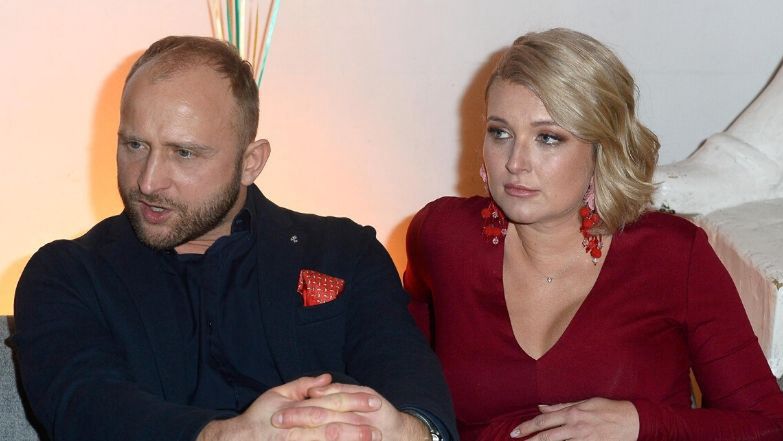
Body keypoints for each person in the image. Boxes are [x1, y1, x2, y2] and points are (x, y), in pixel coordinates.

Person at [12, 35, 455, 441]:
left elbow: (409, 379)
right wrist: (228, 437)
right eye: (135, 145)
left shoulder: (344, 252)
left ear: (251, 162)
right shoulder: (66, 275)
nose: (148, 181)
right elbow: (85, 408)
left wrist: (410, 432)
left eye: (184, 153)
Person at [404, 28, 783, 441]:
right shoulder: (442, 237)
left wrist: (641, 423)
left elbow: (767, 425)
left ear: (602, 150)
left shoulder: (671, 255)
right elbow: (404, 386)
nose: (515, 162)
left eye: (548, 138)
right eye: (501, 133)